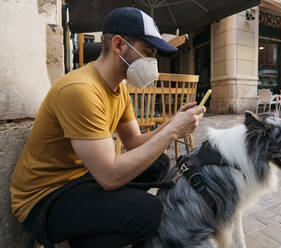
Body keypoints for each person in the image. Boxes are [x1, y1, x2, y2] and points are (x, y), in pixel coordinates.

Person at [10, 7, 206, 248]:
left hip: (81, 179)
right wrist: (172, 132)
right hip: (44, 200)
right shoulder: (81, 90)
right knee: (148, 212)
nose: (152, 62)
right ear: (118, 45)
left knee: (159, 164)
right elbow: (109, 177)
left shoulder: (119, 86)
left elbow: (133, 141)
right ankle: (75, 240)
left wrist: (173, 122)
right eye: (148, 52)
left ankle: (100, 227)